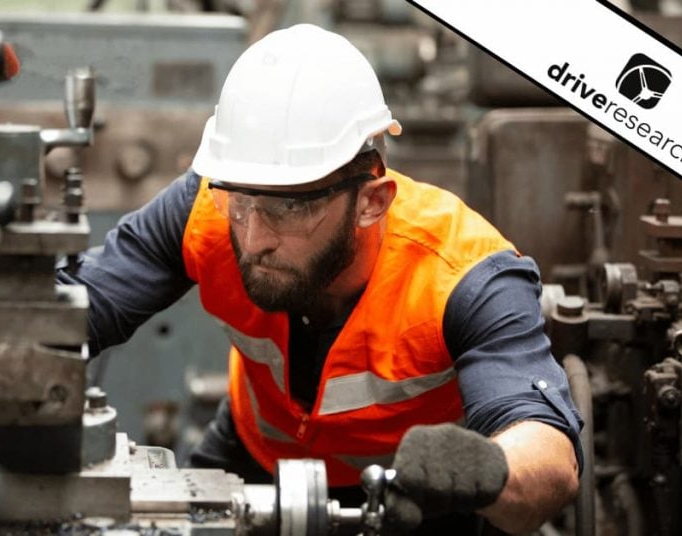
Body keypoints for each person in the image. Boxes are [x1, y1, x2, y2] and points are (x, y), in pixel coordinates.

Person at [58, 23, 582, 535]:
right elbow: (75, 309)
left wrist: (484, 475)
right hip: (254, 455)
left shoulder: (463, 276)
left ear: (371, 202)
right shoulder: (207, 212)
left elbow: (548, 461)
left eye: (288, 209)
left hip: (416, 494)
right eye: (240, 203)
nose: (255, 236)